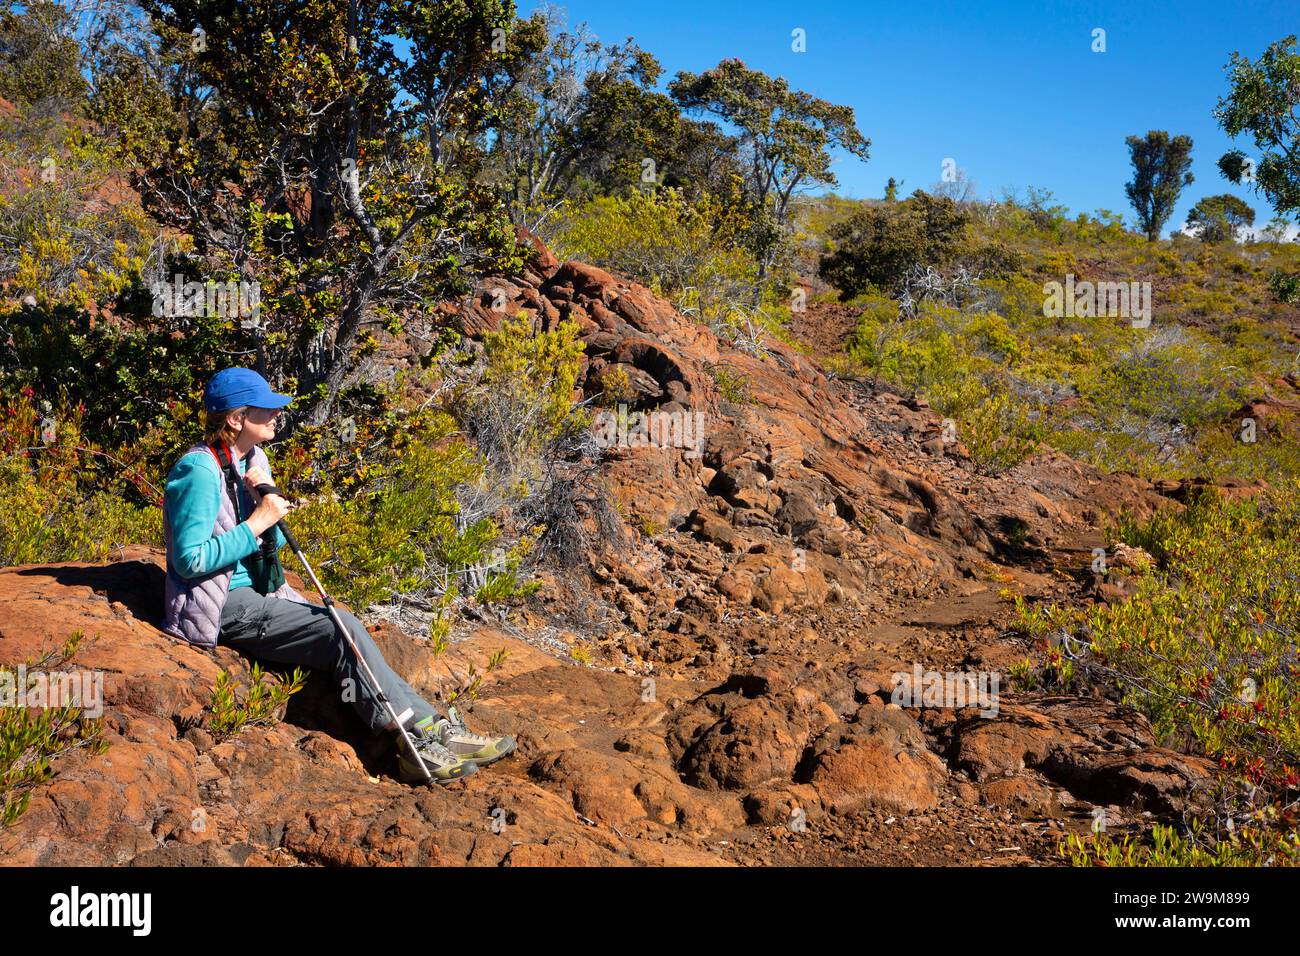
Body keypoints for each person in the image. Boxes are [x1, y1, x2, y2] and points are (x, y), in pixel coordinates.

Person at [160, 366, 515, 784]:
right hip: (220, 604)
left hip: (260, 592)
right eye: (266, 409)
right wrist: (258, 522)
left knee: (346, 627)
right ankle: (410, 746)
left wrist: (263, 497)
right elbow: (188, 560)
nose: (277, 416)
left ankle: (433, 728)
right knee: (337, 629)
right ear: (236, 419)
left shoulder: (250, 460)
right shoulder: (199, 471)